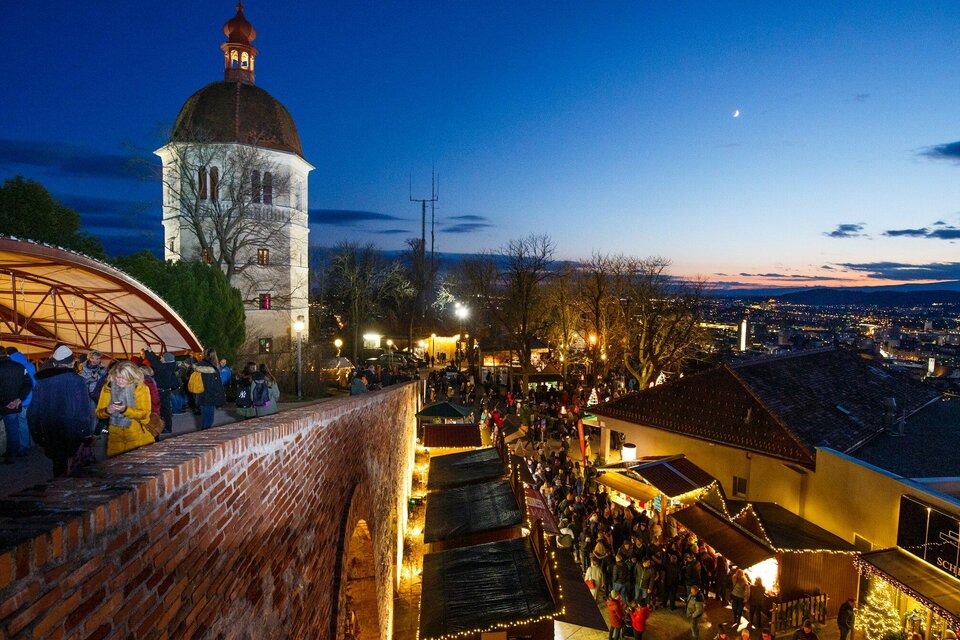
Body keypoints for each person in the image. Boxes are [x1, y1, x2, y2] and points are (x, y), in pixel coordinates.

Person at [27, 345, 91, 476]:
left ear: (54, 363)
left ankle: (58, 487)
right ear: (72, 363)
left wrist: (36, 433)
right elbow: (83, 409)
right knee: (75, 463)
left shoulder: (42, 382)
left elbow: (33, 411)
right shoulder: (78, 381)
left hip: (51, 429)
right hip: (73, 429)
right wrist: (86, 434)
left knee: (58, 464)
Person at [97, 361, 154, 457]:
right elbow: (99, 413)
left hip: (138, 435)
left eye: (124, 378)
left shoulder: (141, 388)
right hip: (115, 436)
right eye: (117, 377)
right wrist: (107, 411)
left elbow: (145, 414)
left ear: (131, 377)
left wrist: (125, 410)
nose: (120, 380)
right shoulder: (107, 388)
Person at [0, 349, 33, 463]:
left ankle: (11, 452)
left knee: (12, 428)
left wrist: (5, 402)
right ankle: (13, 452)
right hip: (16, 404)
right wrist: (19, 399)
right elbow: (28, 383)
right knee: (13, 429)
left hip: (5, 404)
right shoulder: (20, 366)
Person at [6, 347, 36, 455]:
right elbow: (34, 384)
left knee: (17, 423)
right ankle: (26, 444)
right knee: (24, 422)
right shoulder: (30, 365)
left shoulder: (11, 366)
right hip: (29, 398)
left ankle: (21, 446)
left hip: (16, 399)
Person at [144, 350, 179, 434]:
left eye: (162, 357)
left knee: (164, 411)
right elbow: (156, 360)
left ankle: (166, 428)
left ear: (166, 359)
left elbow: (155, 361)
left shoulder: (164, 367)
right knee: (165, 410)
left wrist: (148, 352)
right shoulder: (169, 366)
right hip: (165, 391)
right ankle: (166, 427)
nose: (161, 358)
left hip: (162, 391)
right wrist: (151, 351)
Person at [191, 349, 225, 430]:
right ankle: (204, 439)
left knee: (204, 420)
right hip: (209, 397)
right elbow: (216, 386)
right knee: (208, 421)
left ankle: (202, 436)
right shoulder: (211, 369)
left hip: (200, 395)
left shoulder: (198, 366)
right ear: (214, 356)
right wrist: (221, 398)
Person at [78, 350, 108, 429]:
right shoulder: (83, 369)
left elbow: (104, 377)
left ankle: (95, 431)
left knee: (98, 413)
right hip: (89, 394)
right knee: (92, 414)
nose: (99, 360)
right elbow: (81, 382)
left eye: (99, 358)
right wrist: (92, 378)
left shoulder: (101, 367)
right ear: (91, 359)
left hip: (99, 393)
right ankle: (90, 432)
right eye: (97, 358)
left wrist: (102, 371)